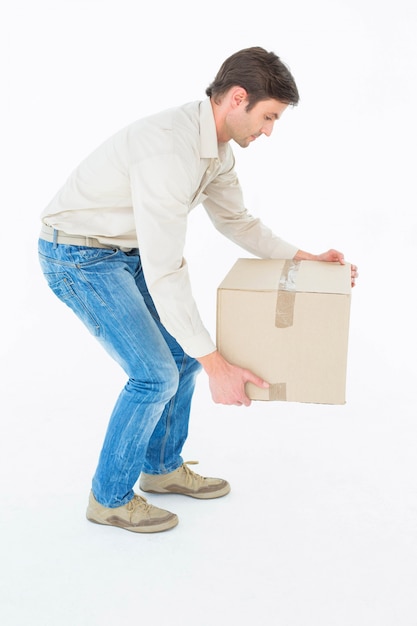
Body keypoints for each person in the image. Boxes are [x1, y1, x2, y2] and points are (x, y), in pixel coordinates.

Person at [38, 46, 358, 534]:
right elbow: (166, 269)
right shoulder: (170, 150)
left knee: (181, 357)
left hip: (122, 254)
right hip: (79, 258)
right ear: (237, 98)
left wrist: (303, 256)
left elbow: (237, 221)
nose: (270, 131)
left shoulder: (217, 151)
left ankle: (162, 469)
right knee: (153, 375)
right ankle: (108, 498)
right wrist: (219, 366)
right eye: (269, 117)